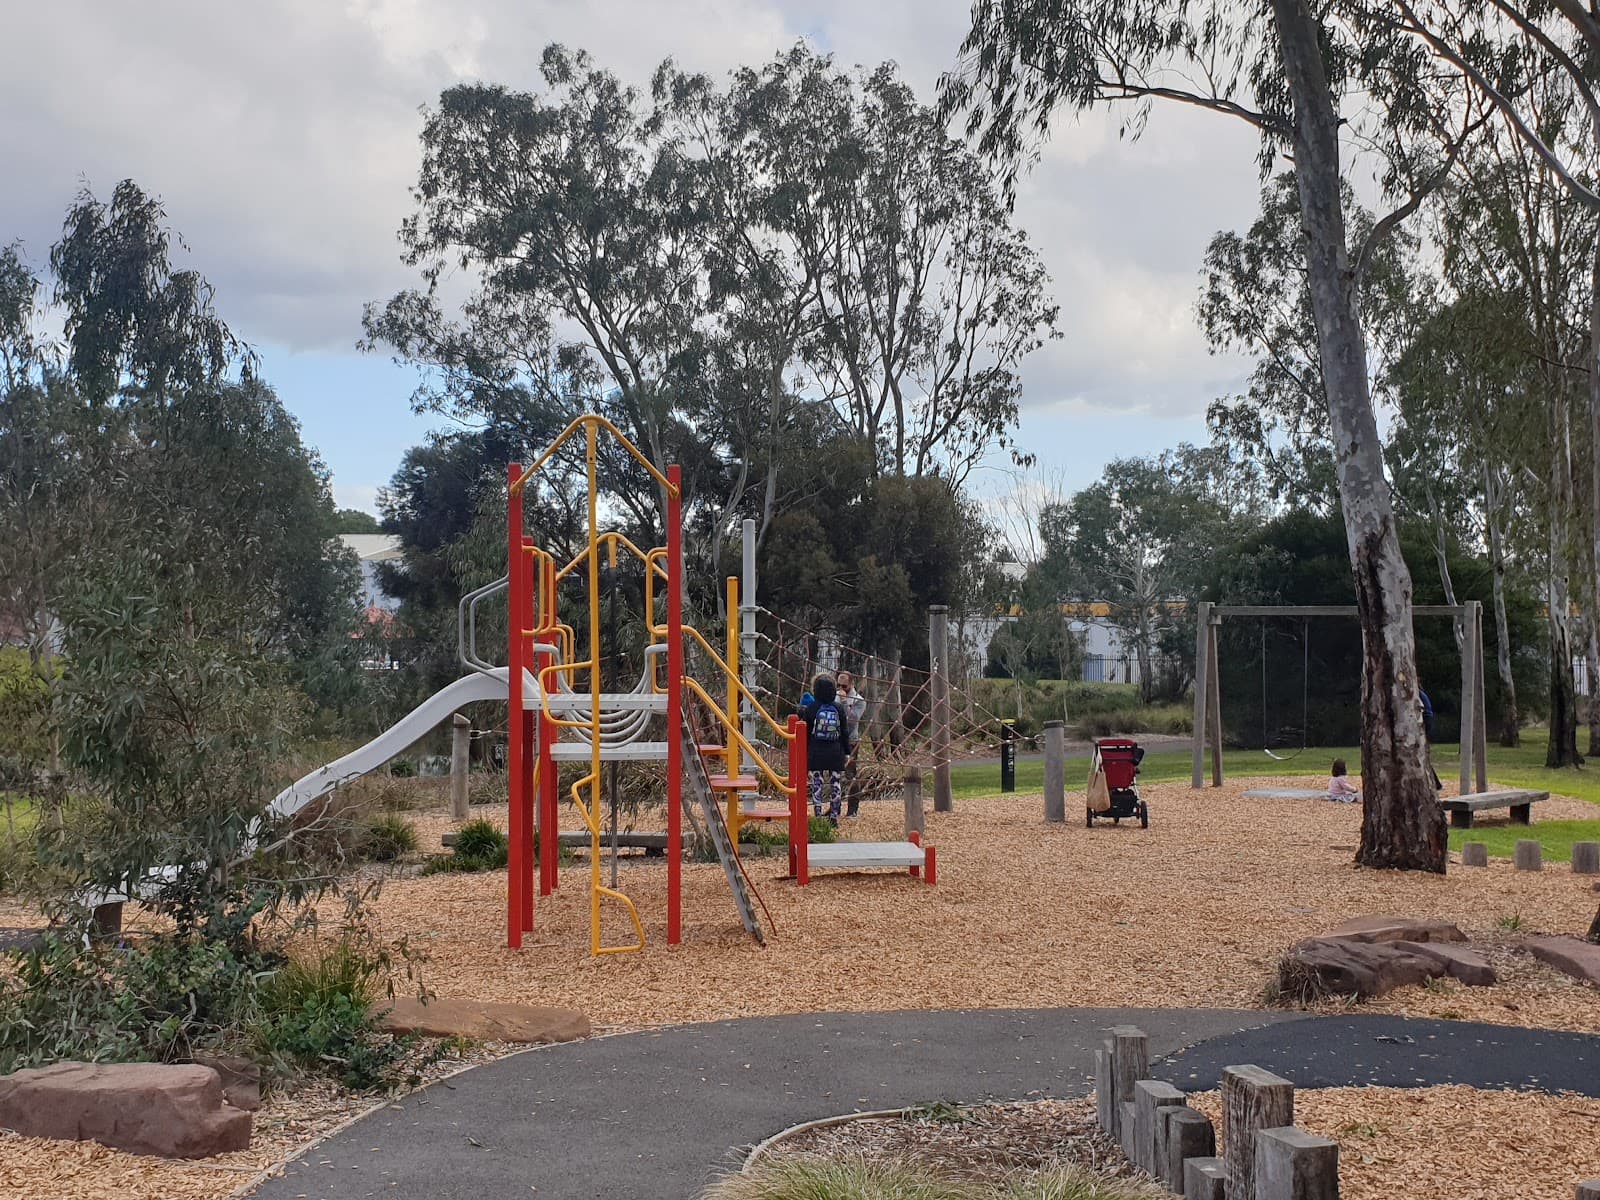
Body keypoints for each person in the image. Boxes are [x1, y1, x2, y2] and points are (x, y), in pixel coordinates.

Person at [801, 674, 851, 824]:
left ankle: (817, 814)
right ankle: (834, 814)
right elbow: (844, 731)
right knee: (835, 782)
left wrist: (806, 751)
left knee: (818, 782)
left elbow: (806, 732)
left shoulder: (811, 708)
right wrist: (847, 752)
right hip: (835, 751)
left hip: (816, 750)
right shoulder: (839, 708)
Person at [835, 670, 868, 817]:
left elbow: (853, 720)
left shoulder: (858, 700)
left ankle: (853, 810)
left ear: (852, 684)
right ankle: (834, 808)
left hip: (850, 741)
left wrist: (843, 702)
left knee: (850, 774)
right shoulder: (834, 696)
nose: (841, 689)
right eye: (839, 685)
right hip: (835, 740)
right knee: (834, 774)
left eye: (845, 686)